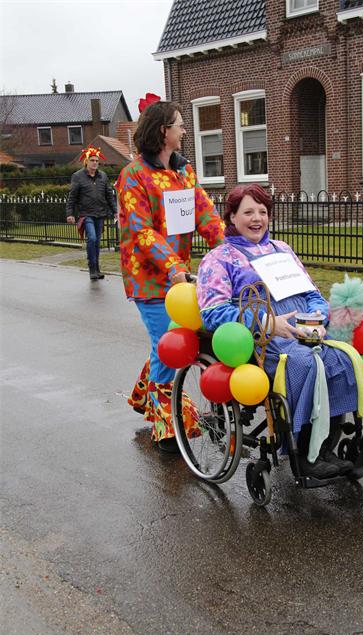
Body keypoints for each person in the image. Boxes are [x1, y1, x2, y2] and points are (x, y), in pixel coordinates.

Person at [196, 184, 363, 479]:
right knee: (304, 365)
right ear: (232, 217)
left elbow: (312, 293)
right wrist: (266, 322)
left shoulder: (282, 249)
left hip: (305, 328)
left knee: (340, 359)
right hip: (263, 336)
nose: (257, 218)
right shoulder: (218, 258)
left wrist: (317, 316)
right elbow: (213, 311)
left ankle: (324, 447)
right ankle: (304, 454)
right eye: (248, 212)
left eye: (262, 211)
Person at [115, 95, 225, 453]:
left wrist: (232, 249)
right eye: (180, 124)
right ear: (164, 131)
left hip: (178, 276)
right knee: (167, 344)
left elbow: (204, 212)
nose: (184, 130)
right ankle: (166, 428)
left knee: (169, 343)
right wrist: (174, 266)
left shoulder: (183, 171)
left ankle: (143, 396)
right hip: (149, 278)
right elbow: (142, 231)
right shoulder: (133, 176)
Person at [66, 146, 117, 280]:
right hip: (86, 214)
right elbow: (72, 196)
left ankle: (97, 269)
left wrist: (115, 211)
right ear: (86, 162)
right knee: (92, 238)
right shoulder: (78, 176)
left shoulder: (103, 176)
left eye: (97, 161)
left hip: (100, 213)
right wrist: (69, 214)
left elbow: (109, 195)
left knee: (97, 242)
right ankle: (91, 268)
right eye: (92, 160)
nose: (95, 163)